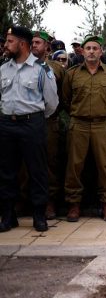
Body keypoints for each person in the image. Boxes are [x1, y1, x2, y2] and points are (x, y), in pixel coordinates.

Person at [0, 26, 58, 233]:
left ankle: (39, 216)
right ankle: (8, 216)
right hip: (7, 123)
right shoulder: (3, 69)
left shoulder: (42, 69)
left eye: (10, 41)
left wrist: (34, 118)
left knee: (37, 171)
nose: (6, 45)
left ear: (22, 44)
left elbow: (51, 102)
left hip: (31, 124)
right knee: (6, 172)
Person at [62, 35, 106, 222]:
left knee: (105, 165)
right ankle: (74, 204)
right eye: (88, 48)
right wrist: (77, 114)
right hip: (78, 124)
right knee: (74, 166)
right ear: (82, 51)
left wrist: (104, 115)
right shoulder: (72, 74)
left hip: (102, 124)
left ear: (101, 51)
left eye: (95, 48)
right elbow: (66, 99)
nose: (91, 51)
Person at [31, 30, 66, 220]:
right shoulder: (21, 66)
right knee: (24, 163)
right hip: (26, 121)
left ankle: (50, 201)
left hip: (48, 121)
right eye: (32, 42)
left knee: (50, 162)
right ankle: (23, 200)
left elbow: (65, 95)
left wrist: (54, 113)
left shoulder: (56, 68)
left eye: (38, 42)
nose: (34, 45)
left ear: (47, 47)